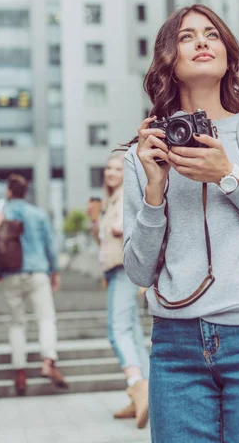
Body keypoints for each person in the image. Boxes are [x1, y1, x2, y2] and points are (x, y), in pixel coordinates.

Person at [122, 4, 239, 443]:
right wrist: (155, 191)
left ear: (228, 54)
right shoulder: (146, 150)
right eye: (187, 36)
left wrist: (230, 177)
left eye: (211, 34)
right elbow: (137, 271)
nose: (202, 42)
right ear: (168, 59)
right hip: (175, 349)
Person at [0, 174, 68, 396]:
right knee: (46, 318)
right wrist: (54, 271)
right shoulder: (38, 214)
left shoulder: (0, 216)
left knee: (17, 324)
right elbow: (50, 244)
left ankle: (19, 374)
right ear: (25, 191)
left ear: (9, 192)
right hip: (38, 272)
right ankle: (48, 360)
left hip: (11, 275)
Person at [88, 154, 150, 429]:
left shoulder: (127, 196)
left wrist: (119, 228)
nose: (112, 172)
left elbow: (137, 225)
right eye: (109, 168)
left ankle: (136, 385)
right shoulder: (109, 201)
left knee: (118, 330)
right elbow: (101, 238)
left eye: (117, 168)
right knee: (133, 332)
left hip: (125, 270)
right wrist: (95, 221)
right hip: (114, 270)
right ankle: (148, 396)